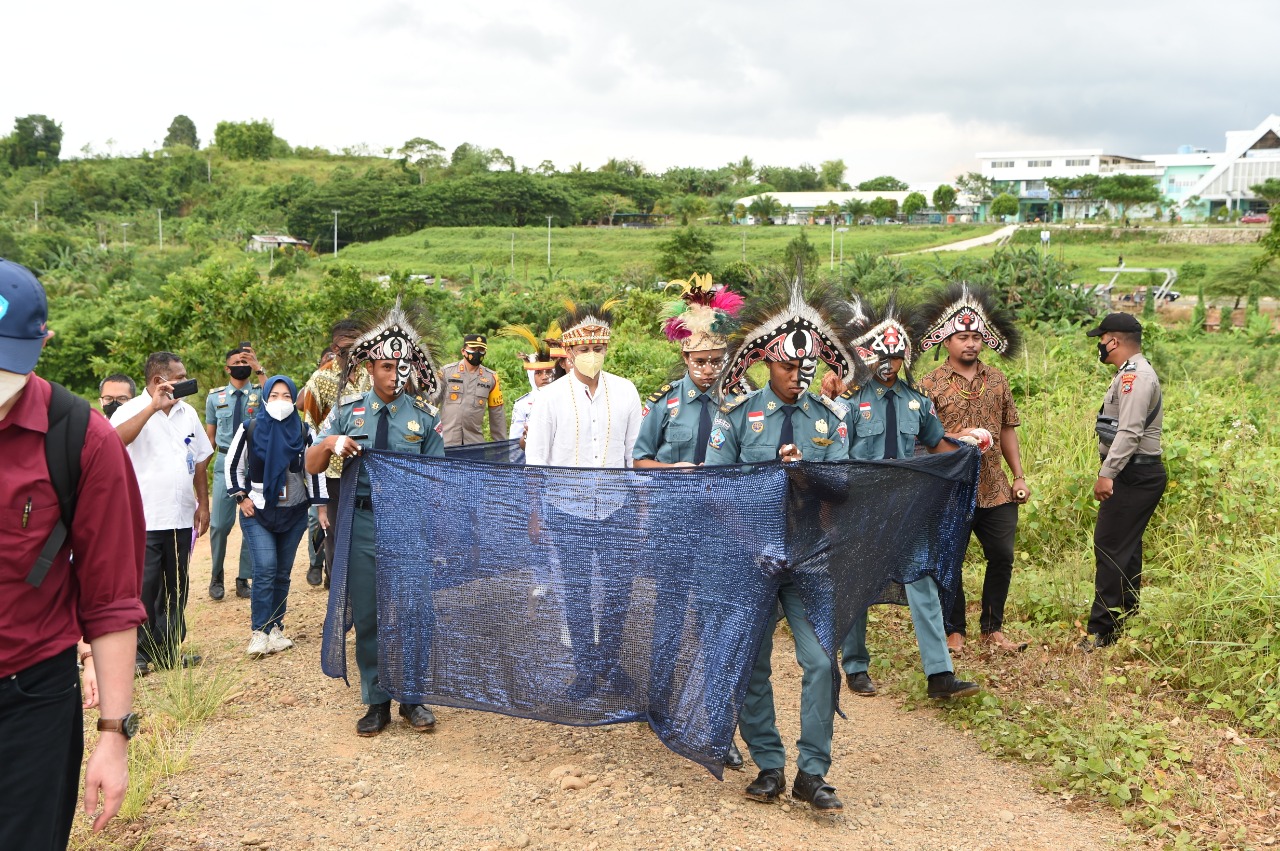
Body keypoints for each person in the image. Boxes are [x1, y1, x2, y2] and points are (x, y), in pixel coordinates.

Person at [0, 258, 147, 847]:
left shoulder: (81, 438)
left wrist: (113, 734)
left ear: (41, 345)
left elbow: (111, 599)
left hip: (29, 700)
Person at [704, 280, 859, 815]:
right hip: (751, 559)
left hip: (808, 558)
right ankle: (768, 764)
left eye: (806, 368)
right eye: (789, 367)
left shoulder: (828, 419)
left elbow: (843, 488)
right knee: (753, 663)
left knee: (819, 662)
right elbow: (716, 489)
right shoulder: (737, 416)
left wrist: (805, 473)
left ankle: (812, 773)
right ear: (767, 362)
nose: (798, 376)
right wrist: (753, 540)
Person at [832, 296, 981, 701]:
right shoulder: (849, 403)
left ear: (905, 358)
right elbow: (836, 458)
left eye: (897, 356)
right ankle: (856, 667)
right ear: (869, 355)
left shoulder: (917, 401)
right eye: (883, 355)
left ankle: (940, 675)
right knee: (856, 586)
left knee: (922, 580)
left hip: (905, 507)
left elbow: (938, 445)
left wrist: (967, 451)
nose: (890, 363)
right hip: (861, 509)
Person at [308, 301, 445, 735]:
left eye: (401, 367)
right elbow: (309, 464)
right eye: (386, 366)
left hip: (407, 525)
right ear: (370, 368)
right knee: (368, 613)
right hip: (363, 523)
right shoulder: (347, 411)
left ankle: (413, 698)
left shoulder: (424, 417)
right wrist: (329, 443)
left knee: (413, 611)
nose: (394, 375)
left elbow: (438, 478)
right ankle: (376, 700)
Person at [632, 274, 746, 770]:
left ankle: (719, 724)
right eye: (700, 361)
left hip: (722, 530)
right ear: (685, 358)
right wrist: (671, 469)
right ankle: (657, 703)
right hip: (673, 525)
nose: (708, 369)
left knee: (715, 623)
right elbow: (639, 461)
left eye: (716, 361)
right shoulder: (665, 403)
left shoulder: (739, 404)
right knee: (670, 616)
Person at [525, 299, 644, 698]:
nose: (592, 355)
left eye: (599, 348)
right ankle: (585, 669)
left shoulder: (625, 391)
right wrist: (535, 513)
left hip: (617, 508)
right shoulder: (550, 398)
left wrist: (640, 508)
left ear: (606, 348)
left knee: (618, 591)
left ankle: (609, 662)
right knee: (575, 592)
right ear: (570, 352)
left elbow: (633, 455)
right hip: (565, 509)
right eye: (584, 349)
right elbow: (535, 461)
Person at [916, 283, 1030, 654]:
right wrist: (958, 436)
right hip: (950, 487)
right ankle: (954, 630)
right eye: (963, 337)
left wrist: (1019, 476)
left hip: (995, 487)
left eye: (976, 337)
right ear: (946, 341)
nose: (971, 344)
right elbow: (924, 438)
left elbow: (1007, 428)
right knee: (951, 558)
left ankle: (993, 628)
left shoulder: (997, 379)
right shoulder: (928, 385)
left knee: (1002, 556)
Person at [111, 351, 213, 674]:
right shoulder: (130, 410)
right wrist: (152, 408)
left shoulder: (187, 413)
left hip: (180, 517)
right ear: (159, 381)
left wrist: (203, 503)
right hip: (144, 519)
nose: (186, 381)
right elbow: (113, 443)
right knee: (144, 588)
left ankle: (168, 650)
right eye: (180, 377)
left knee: (176, 587)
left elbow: (200, 459)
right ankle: (139, 654)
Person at [1081, 313, 1165, 650]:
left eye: (1102, 340)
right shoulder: (1130, 373)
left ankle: (1102, 630)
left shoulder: (1135, 377)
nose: (1100, 346)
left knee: (1110, 546)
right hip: (1135, 472)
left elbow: (1129, 433)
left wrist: (1107, 473)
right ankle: (1125, 619)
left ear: (1113, 341)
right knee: (1125, 548)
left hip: (1133, 473)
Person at [227, 375, 326, 658]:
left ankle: (275, 628)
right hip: (257, 510)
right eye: (274, 395)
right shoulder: (250, 428)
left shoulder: (304, 431)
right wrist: (241, 497)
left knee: (282, 572)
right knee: (266, 568)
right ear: (265, 398)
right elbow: (234, 466)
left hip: (294, 512)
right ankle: (259, 632)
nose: (280, 401)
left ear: (294, 399)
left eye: (286, 396)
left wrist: (320, 508)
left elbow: (313, 471)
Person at [298, 319, 369, 590]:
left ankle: (362, 596)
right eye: (345, 347)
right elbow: (312, 435)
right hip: (333, 475)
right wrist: (318, 497)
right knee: (336, 540)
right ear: (334, 347)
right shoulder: (320, 380)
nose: (351, 352)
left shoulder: (371, 374)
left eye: (357, 345)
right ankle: (338, 594)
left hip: (368, 471)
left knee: (365, 537)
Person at [204, 345, 266, 600]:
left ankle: (244, 578)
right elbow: (210, 437)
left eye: (245, 361)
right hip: (224, 461)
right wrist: (200, 469)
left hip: (253, 462)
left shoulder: (262, 392)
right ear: (227, 368)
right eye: (237, 362)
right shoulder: (215, 398)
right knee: (219, 524)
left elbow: (278, 400)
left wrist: (259, 368)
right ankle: (216, 575)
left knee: (251, 520)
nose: (242, 365)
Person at [499, 323, 564, 448]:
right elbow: (514, 443)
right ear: (531, 376)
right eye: (538, 373)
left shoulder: (564, 398)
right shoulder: (522, 404)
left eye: (548, 372)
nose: (544, 377)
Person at [438, 333, 506, 446]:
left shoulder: (491, 378)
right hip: (446, 443)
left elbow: (497, 416)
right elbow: (430, 403)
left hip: (474, 445)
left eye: (481, 350)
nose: (477, 353)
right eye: (473, 349)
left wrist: (501, 448)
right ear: (463, 351)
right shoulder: (445, 372)